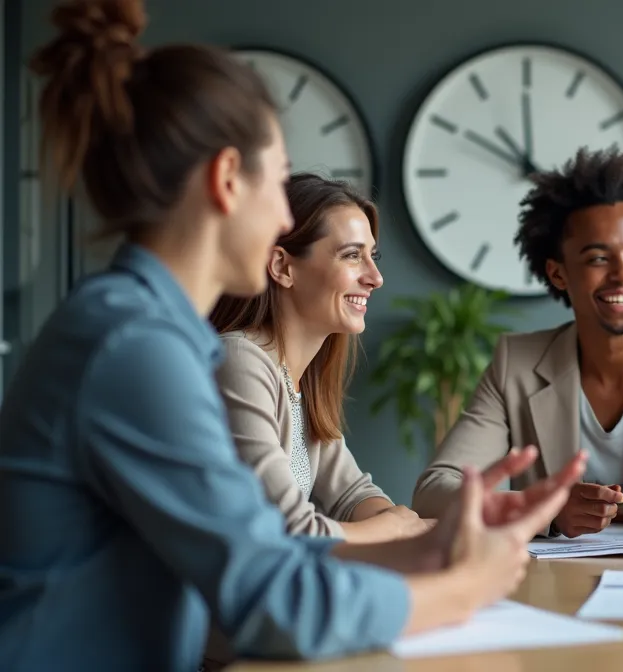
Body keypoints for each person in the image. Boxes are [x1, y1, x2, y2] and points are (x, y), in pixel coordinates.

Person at [0, 1, 580, 670]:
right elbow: (273, 599)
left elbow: (267, 556)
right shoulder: (135, 349)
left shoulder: (150, 336)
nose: (283, 216)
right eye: (277, 182)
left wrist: (440, 541)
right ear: (226, 180)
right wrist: (463, 588)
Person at [412, 146, 623, 536]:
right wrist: (549, 510)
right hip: (553, 571)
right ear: (558, 273)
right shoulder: (517, 364)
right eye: (598, 258)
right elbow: (434, 490)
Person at [209, 173, 425, 543]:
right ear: (282, 267)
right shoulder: (239, 360)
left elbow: (350, 494)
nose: (376, 278)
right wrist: (392, 528)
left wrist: (411, 529)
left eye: (372, 256)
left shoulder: (301, 378)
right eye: (352, 255)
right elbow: (286, 528)